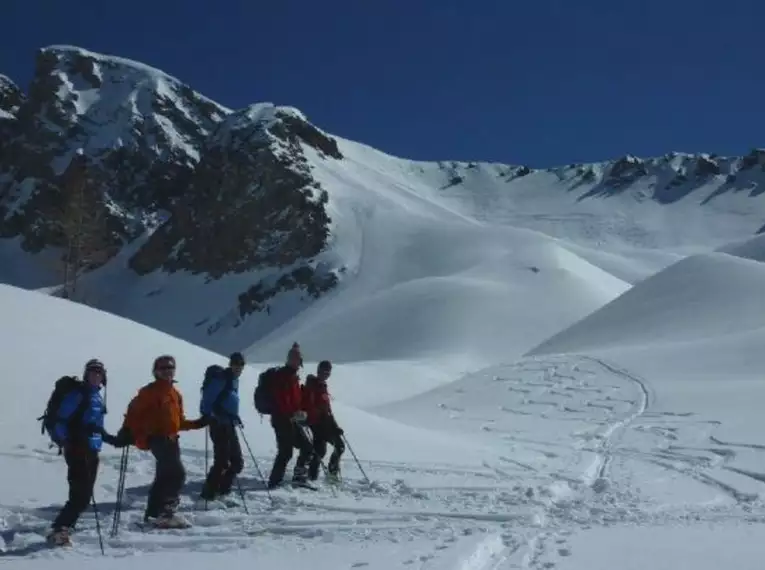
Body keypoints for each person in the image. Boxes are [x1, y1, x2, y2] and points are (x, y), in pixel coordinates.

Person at [46, 359, 124, 547]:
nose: (96, 375)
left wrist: (113, 440)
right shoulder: (78, 394)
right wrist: (68, 442)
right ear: (86, 374)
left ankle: (63, 527)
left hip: (91, 450)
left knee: (84, 494)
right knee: (80, 494)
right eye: (92, 372)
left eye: (99, 372)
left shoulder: (96, 396)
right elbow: (60, 420)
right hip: (77, 450)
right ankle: (60, 530)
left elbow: (95, 427)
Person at [123, 355, 207, 527]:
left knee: (163, 477)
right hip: (157, 438)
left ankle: (153, 514)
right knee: (177, 474)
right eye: (163, 369)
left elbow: (178, 422)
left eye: (170, 368)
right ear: (155, 372)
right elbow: (134, 413)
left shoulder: (175, 394)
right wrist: (128, 432)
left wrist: (199, 423)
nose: (167, 372)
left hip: (172, 439)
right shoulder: (149, 392)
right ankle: (166, 512)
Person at [199, 352, 245, 502]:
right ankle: (208, 494)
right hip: (218, 424)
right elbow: (206, 402)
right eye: (236, 363)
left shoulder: (233, 380)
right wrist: (213, 415)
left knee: (237, 462)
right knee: (222, 460)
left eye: (241, 364)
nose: (238, 367)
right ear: (230, 363)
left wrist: (233, 415)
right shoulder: (221, 379)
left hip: (229, 424)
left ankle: (223, 490)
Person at [266, 343, 313, 488]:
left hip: (291, 419)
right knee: (286, 451)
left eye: (298, 359)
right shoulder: (283, 376)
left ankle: (298, 477)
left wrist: (300, 411)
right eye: (294, 359)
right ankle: (275, 481)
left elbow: (295, 399)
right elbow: (282, 399)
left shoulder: (293, 377)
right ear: (289, 359)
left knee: (306, 446)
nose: (296, 362)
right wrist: (293, 413)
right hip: (282, 419)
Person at [302, 360, 345, 481]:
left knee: (322, 450)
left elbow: (328, 410)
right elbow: (311, 407)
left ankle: (315, 475)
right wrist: (323, 420)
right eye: (324, 371)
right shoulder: (312, 386)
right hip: (317, 423)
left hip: (324, 423)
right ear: (318, 371)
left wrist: (334, 425)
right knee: (329, 448)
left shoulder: (322, 386)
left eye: (328, 372)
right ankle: (324, 474)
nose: (326, 374)